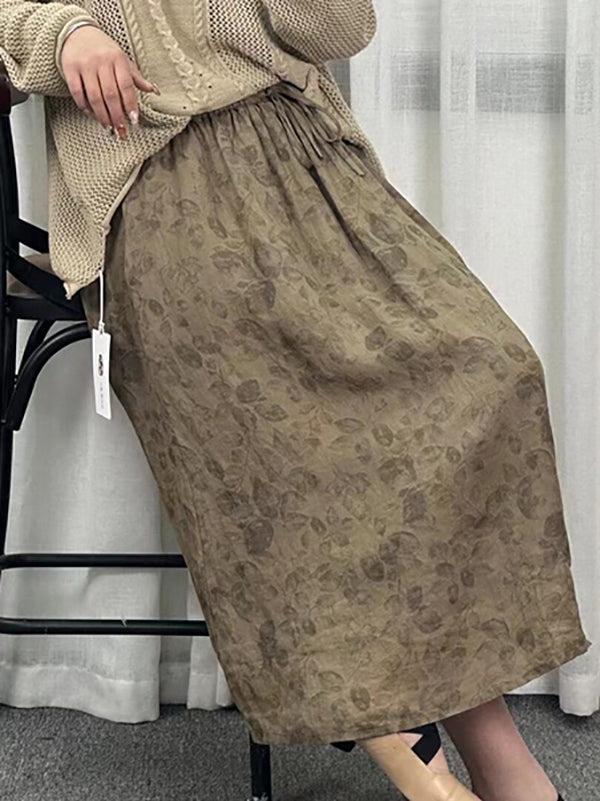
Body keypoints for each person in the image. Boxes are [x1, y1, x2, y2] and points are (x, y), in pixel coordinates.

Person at [0, 2, 589, 800]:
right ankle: (452, 755)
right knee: (301, 433)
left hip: (307, 157)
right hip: (156, 184)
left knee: (490, 370)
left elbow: (336, 31)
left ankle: (469, 745)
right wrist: (63, 33)